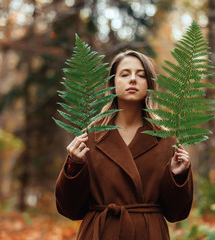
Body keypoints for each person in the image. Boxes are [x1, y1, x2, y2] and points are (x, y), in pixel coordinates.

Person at [55, 50, 193, 240]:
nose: (133, 80)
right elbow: (70, 209)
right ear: (112, 84)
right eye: (125, 74)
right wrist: (74, 166)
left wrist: (178, 176)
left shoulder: (166, 139)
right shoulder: (91, 136)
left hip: (148, 233)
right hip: (101, 232)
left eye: (141, 75)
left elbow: (176, 213)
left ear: (150, 85)